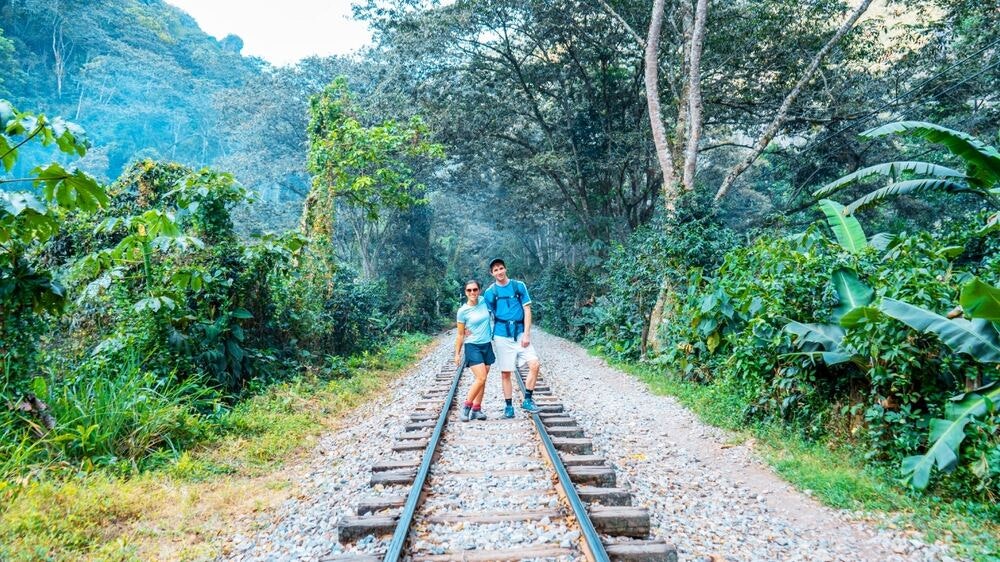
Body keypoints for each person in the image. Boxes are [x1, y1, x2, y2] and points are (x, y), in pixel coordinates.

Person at [483, 258, 540, 418]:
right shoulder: (490, 292)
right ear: (491, 273)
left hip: (520, 332)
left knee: (534, 364)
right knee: (506, 373)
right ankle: (509, 407)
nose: (499, 272)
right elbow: (486, 314)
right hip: (501, 335)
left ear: (505, 269)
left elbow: (527, 309)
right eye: (495, 270)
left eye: (501, 268)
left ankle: (527, 400)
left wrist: (527, 334)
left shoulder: (518, 286)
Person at [454, 279, 494, 421]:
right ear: (465, 292)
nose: (472, 292)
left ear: (479, 290)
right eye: (469, 290)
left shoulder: (484, 301)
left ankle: (477, 409)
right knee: (481, 377)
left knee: (482, 379)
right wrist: (457, 354)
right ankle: (466, 407)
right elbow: (460, 334)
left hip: (486, 345)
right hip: (472, 346)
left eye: (475, 289)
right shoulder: (462, 311)